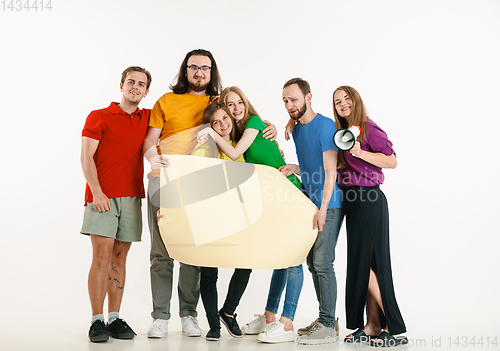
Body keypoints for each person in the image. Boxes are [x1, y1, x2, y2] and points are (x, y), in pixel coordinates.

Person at [142, 50, 276, 338]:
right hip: (162, 180)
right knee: (161, 253)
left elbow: (241, 122)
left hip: (199, 186)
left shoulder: (216, 103)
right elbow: (150, 141)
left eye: (205, 68)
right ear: (185, 70)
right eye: (194, 67)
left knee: (193, 251)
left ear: (211, 72)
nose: (199, 72)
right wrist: (152, 158)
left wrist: (272, 126)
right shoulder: (165, 101)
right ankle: (160, 316)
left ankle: (189, 314)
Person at [201, 86, 303, 343]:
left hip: (289, 190)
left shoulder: (255, 123)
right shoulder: (236, 135)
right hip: (272, 198)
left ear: (246, 103)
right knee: (280, 257)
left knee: (293, 258)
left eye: (239, 103)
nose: (235, 109)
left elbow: (235, 154)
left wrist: (211, 133)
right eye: (229, 105)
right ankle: (269, 316)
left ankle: (287, 321)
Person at [80, 66, 153, 343]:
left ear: (146, 91)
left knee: (120, 258)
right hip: (102, 197)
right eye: (131, 82)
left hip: (133, 197)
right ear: (121, 85)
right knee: (101, 257)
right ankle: (96, 320)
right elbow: (86, 157)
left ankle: (114, 317)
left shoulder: (147, 118)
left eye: (141, 84)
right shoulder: (99, 117)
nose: (135, 87)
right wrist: (97, 193)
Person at [332, 86, 407, 347]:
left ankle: (395, 329)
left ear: (355, 100)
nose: (342, 104)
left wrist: (360, 152)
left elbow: (392, 161)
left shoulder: (368, 128)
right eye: (337, 102)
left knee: (372, 266)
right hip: (353, 201)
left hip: (369, 199)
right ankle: (373, 325)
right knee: (364, 264)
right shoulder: (341, 132)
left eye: (346, 99)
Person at [279, 78, 344, 345]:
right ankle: (326, 320)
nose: (289, 105)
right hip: (310, 202)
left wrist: (322, 208)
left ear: (308, 97)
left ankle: (327, 324)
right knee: (311, 263)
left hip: (330, 203)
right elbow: (310, 163)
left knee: (322, 262)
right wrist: (295, 168)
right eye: (285, 101)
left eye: (294, 99)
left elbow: (330, 171)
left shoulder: (325, 126)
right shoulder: (296, 129)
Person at [192, 103, 252, 342]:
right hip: (209, 217)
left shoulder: (239, 147)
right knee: (209, 274)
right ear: (209, 127)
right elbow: (193, 179)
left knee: (246, 264)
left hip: (237, 215)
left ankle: (227, 311)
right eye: (215, 122)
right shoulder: (203, 148)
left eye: (225, 118)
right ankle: (213, 324)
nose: (223, 124)